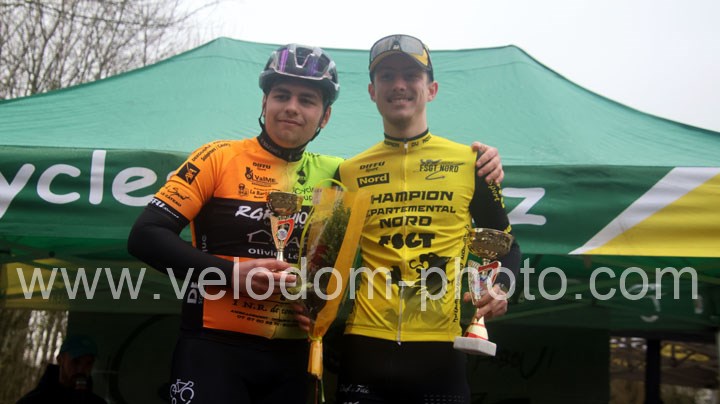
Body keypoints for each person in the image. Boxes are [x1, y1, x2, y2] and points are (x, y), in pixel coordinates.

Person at [127, 43, 505, 404]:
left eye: (307, 100)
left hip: (294, 358)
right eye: (282, 95)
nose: (292, 108)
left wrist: (486, 162)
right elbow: (145, 236)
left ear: (324, 116)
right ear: (264, 102)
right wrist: (231, 274)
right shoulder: (217, 157)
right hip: (213, 350)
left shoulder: (339, 174)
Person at [330, 34, 522, 403]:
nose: (399, 84)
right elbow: (326, 254)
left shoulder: (472, 163)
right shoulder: (349, 171)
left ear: (431, 89)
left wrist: (501, 287)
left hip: (441, 354)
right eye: (387, 76)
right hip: (364, 347)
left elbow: (508, 246)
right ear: (372, 91)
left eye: (411, 75)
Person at [17, 334, 107, 404]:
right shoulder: (33, 401)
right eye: (76, 362)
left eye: (89, 363)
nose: (81, 369)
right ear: (60, 360)